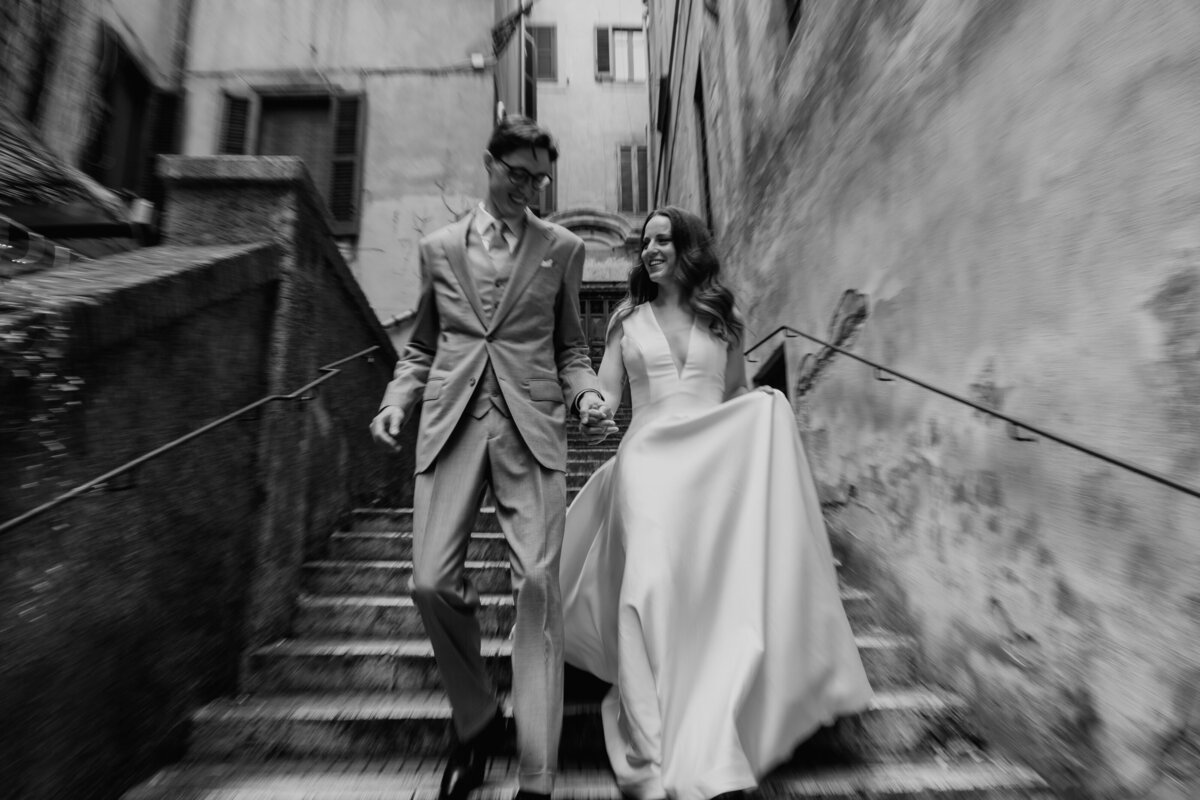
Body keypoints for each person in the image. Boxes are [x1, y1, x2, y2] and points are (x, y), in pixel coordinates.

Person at [560, 206, 873, 800]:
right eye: (645, 243)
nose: (650, 250)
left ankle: (712, 733)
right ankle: (650, 745)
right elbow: (606, 386)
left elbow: (738, 395)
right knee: (648, 582)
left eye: (663, 240)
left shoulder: (723, 318)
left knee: (707, 598)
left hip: (710, 467)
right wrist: (593, 408)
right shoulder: (626, 320)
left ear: (689, 248)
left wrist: (765, 410)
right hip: (647, 459)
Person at [370, 114, 618, 800]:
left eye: (541, 179)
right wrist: (398, 398)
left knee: (539, 589)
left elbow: (571, 347)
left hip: (532, 426)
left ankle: (537, 775)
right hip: (450, 423)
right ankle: (477, 722)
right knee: (428, 581)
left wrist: (590, 394)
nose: (531, 189)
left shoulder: (563, 248)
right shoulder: (439, 247)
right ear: (489, 163)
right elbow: (421, 345)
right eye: (519, 175)